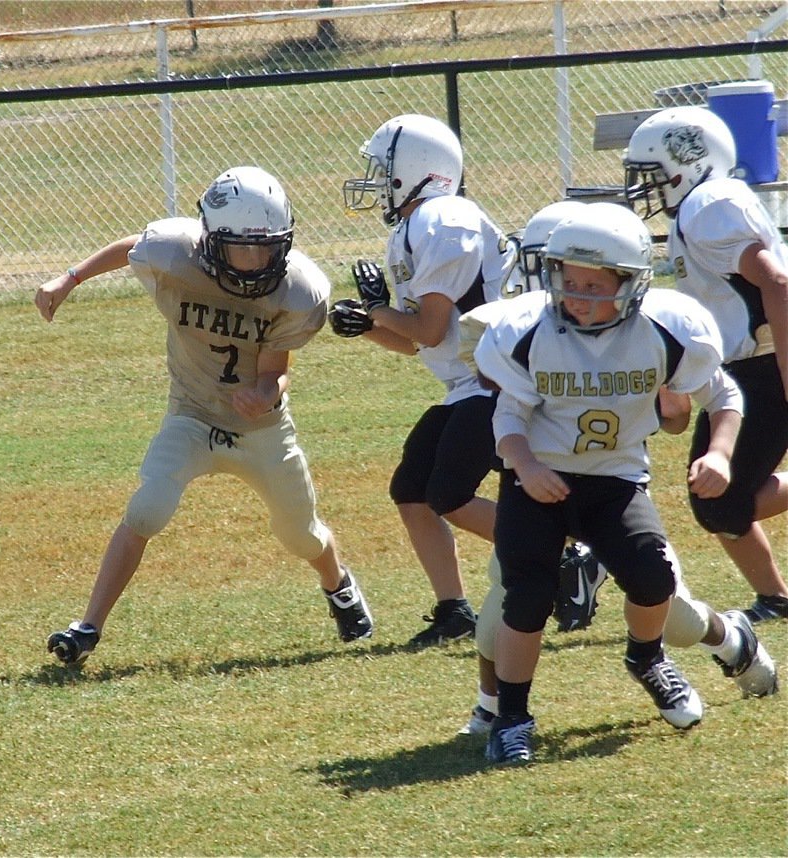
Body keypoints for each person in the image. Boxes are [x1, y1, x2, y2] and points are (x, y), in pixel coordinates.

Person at [36, 166, 373, 665]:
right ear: (212, 240)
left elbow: (277, 370)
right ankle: (87, 627)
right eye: (242, 247)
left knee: (299, 534)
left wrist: (265, 393)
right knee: (148, 507)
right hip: (191, 415)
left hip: (261, 430)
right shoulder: (176, 251)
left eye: (266, 247)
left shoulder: (298, 289)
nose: (256, 261)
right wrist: (70, 278)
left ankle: (338, 586)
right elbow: (134, 245)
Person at [472, 202, 748, 763]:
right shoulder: (529, 331)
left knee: (653, 575)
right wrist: (525, 466)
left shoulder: (666, 330)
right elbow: (507, 418)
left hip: (616, 476)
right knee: (525, 596)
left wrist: (720, 453)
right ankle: (511, 718)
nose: (575, 296)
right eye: (568, 282)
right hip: (539, 478)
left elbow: (723, 395)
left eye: (593, 286)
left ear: (631, 284)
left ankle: (646, 656)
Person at [332, 113, 514, 648]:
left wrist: (379, 310)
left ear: (412, 170)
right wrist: (366, 324)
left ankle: (564, 553)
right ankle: (454, 611)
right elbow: (416, 340)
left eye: (381, 167)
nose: (373, 177)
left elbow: (430, 328)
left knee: (448, 492)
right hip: (469, 383)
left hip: (499, 382)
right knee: (412, 491)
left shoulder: (443, 218)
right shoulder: (417, 226)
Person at [624, 105, 788, 623]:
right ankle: (776, 598)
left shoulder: (708, 205)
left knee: (720, 499)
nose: (644, 189)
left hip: (764, 361)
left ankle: (775, 597)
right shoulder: (703, 205)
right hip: (747, 364)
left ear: (686, 163)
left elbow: (776, 284)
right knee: (714, 496)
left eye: (651, 175)